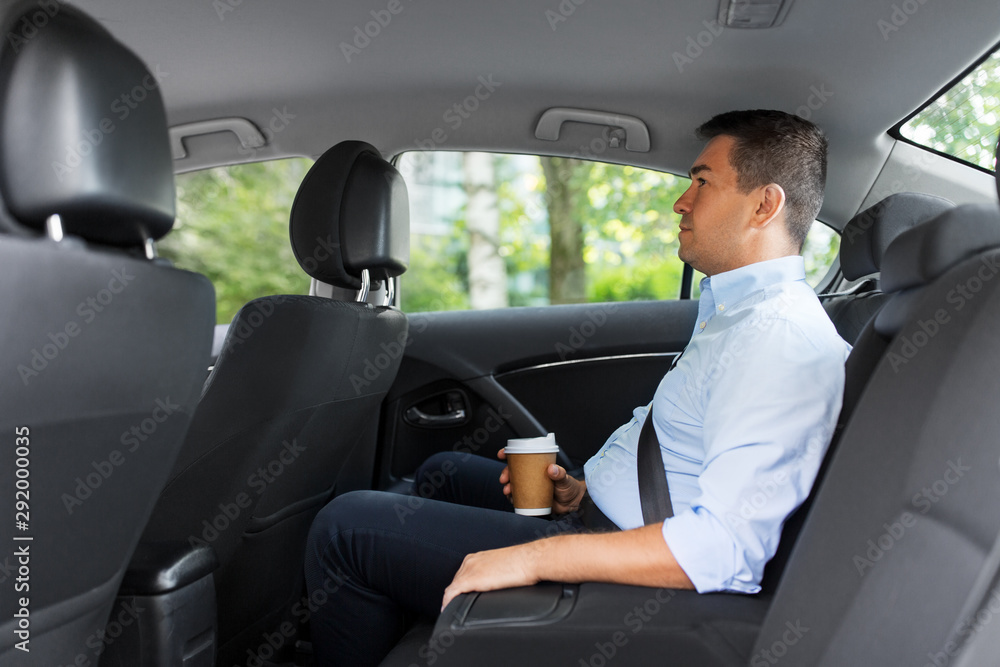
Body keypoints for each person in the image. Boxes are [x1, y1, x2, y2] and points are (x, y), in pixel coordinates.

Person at [304, 109, 851, 665]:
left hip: (632, 584)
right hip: (601, 519)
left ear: (765, 204)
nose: (680, 202)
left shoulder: (778, 339)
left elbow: (724, 549)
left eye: (702, 182)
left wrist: (535, 558)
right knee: (439, 472)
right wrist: (583, 493)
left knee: (344, 528)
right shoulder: (738, 315)